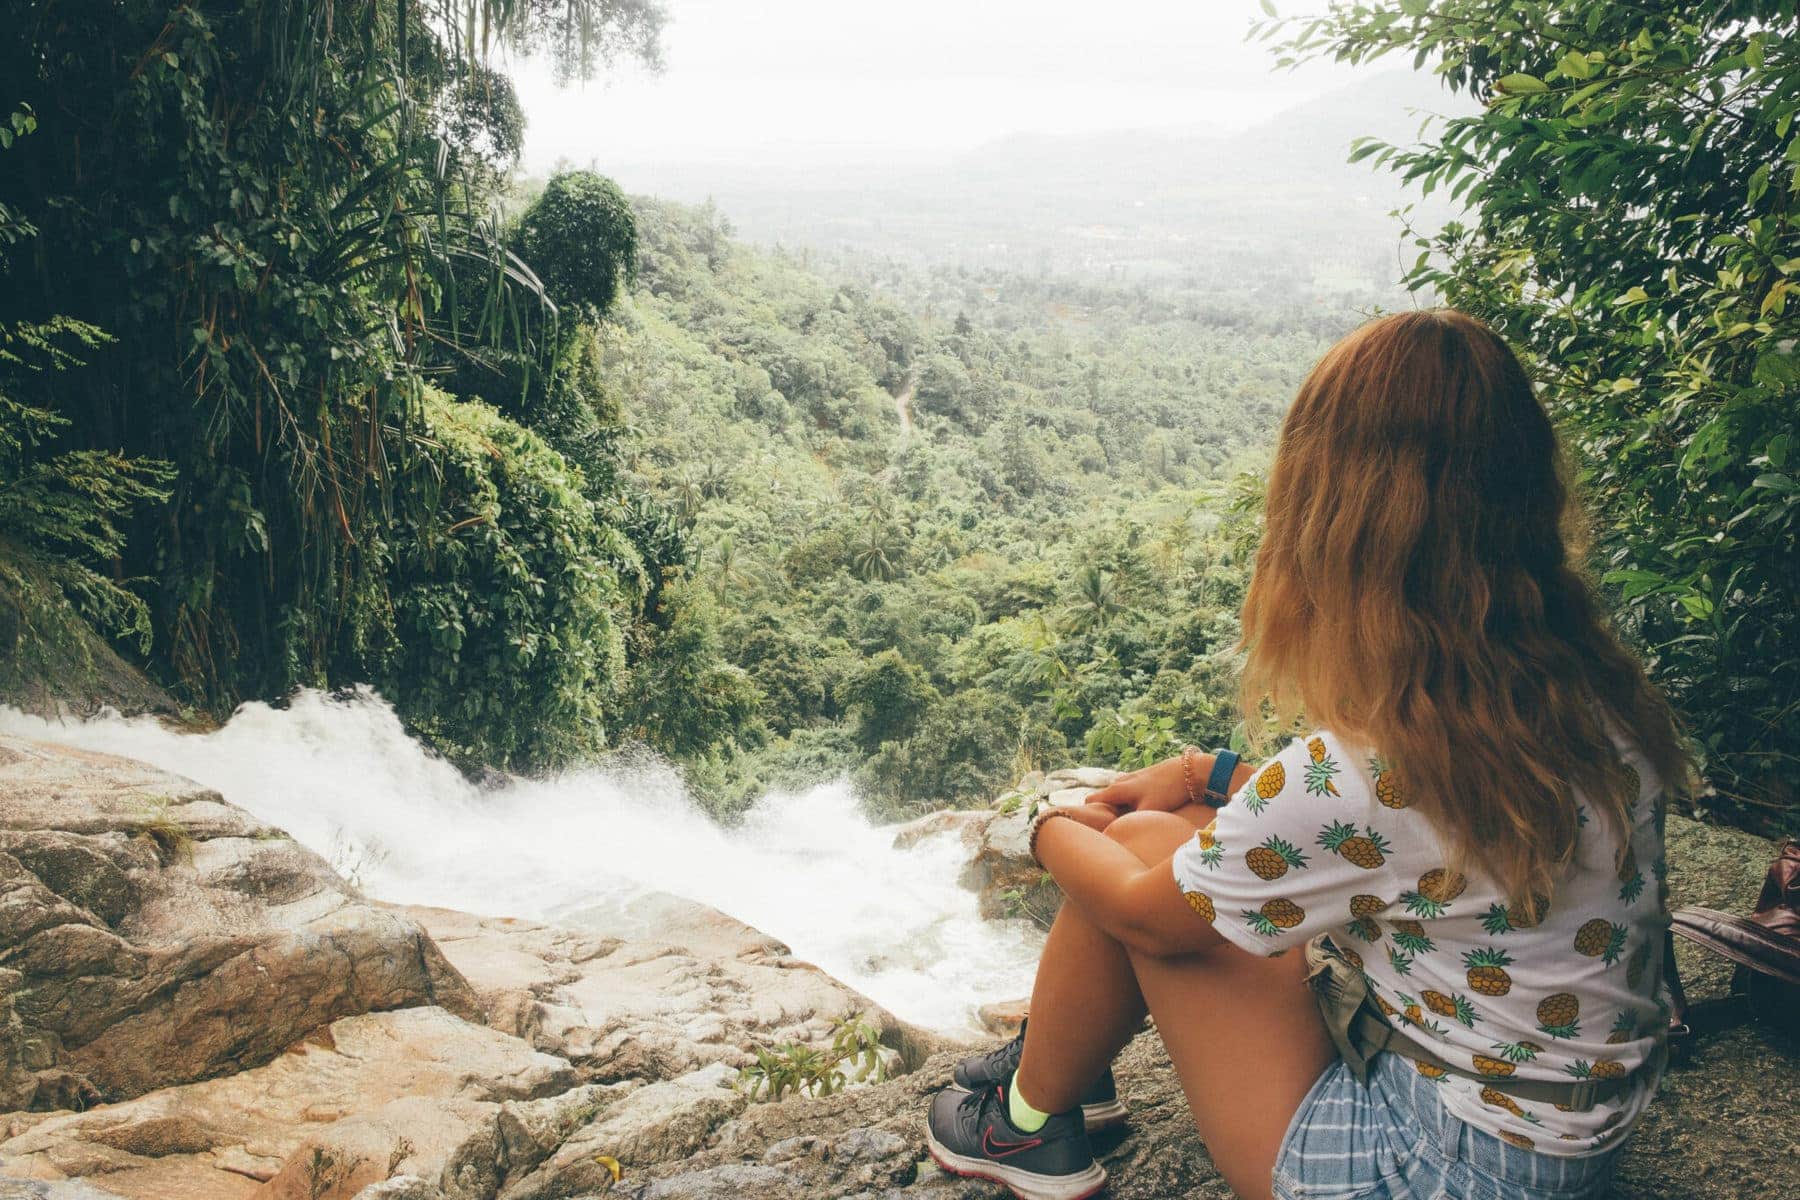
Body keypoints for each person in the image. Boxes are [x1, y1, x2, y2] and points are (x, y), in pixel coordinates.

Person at [921, 309, 1689, 1200]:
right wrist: (1208, 776)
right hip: (1556, 1143)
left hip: (1434, 1165)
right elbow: (1416, 825)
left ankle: (1026, 1120)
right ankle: (1065, 1064)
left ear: (1333, 520)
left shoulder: (1369, 767)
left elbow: (1143, 917)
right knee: (1191, 824)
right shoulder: (1587, 696)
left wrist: (1043, 824)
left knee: (1137, 853)